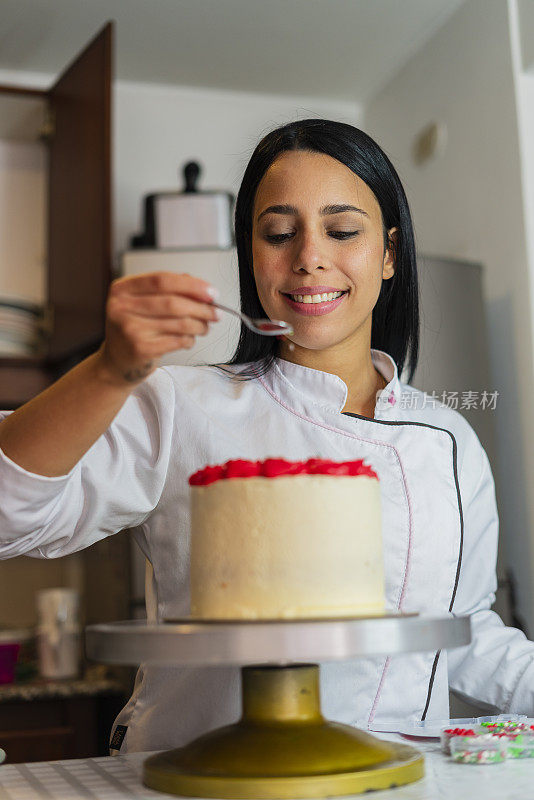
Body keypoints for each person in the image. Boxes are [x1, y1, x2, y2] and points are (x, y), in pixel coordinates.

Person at [1, 118, 533, 755]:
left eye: (342, 231)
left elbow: (467, 629)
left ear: (389, 254)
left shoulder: (447, 439)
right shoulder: (182, 406)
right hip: (197, 780)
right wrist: (108, 370)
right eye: (279, 233)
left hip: (394, 780)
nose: (309, 256)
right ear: (249, 258)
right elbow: (8, 513)